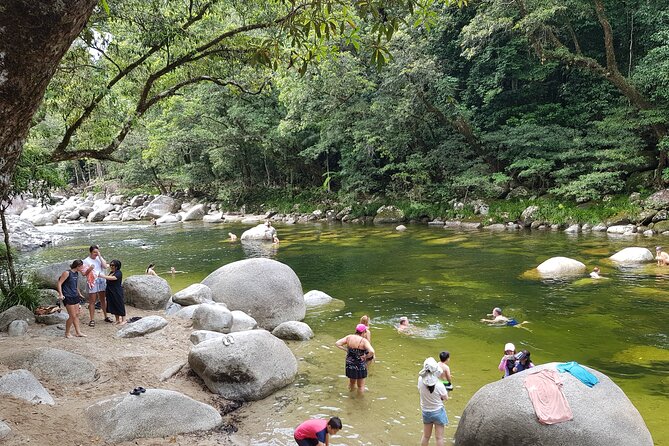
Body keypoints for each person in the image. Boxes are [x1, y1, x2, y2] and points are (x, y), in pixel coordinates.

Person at [417, 357, 448, 446]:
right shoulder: (439, 384)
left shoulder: (420, 380)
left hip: (426, 412)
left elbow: (420, 389)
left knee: (426, 436)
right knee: (439, 438)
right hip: (438, 411)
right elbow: (446, 397)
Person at [335, 324, 375, 392]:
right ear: (364, 331)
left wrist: (346, 350)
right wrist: (366, 356)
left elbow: (337, 343)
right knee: (361, 386)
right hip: (360, 365)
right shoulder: (364, 341)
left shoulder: (349, 337)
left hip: (349, 364)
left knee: (351, 383)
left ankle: (351, 396)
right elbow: (372, 351)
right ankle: (359, 400)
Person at [56, 259, 87, 338]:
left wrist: (79, 294)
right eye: (82, 266)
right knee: (72, 315)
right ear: (78, 266)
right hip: (68, 296)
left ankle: (78, 332)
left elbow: (75, 285)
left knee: (76, 314)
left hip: (75, 296)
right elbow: (59, 283)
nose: (82, 268)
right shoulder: (67, 273)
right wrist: (60, 294)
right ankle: (67, 333)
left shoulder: (76, 273)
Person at [83, 245, 110, 326]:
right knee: (92, 301)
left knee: (103, 299)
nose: (96, 254)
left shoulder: (99, 258)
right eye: (94, 252)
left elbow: (105, 266)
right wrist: (90, 269)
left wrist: (100, 256)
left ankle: (106, 316)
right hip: (93, 281)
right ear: (90, 252)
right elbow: (85, 274)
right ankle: (92, 319)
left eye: (97, 252)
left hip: (101, 279)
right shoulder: (86, 261)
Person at [99, 259, 126, 325]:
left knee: (119, 304)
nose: (111, 266)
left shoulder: (118, 272)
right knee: (113, 305)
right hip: (110, 291)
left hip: (117, 291)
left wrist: (102, 276)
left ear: (116, 266)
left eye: (113, 265)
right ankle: (117, 320)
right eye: (111, 265)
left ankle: (124, 320)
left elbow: (113, 278)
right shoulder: (111, 272)